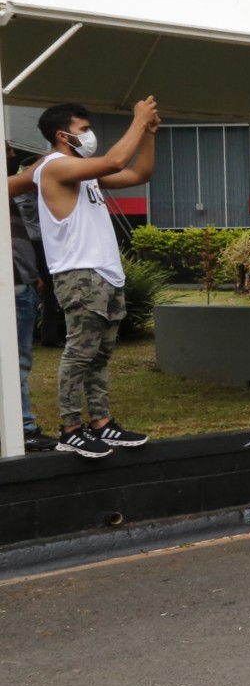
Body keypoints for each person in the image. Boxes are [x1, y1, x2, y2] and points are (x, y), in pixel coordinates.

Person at [29, 100, 164, 457]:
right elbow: (117, 161)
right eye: (83, 129)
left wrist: (148, 134)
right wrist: (137, 120)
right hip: (80, 274)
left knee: (100, 356)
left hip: (105, 273)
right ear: (62, 135)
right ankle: (70, 428)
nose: (90, 135)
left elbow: (139, 174)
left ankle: (101, 424)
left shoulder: (84, 172)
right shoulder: (54, 167)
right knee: (79, 353)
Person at [6, 145, 49, 451]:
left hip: (21, 283)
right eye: (5, 149)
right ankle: (23, 428)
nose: (9, 154)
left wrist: (30, 272)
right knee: (16, 362)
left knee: (17, 361)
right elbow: (31, 177)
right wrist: (57, 154)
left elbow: (24, 235)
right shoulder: (9, 185)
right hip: (12, 288)